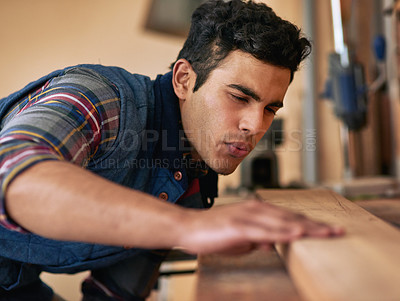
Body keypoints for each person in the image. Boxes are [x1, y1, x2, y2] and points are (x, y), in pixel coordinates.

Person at [0, 0, 344, 300]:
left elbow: (115, 291)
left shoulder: (192, 173)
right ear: (183, 80)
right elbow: (12, 171)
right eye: (239, 97)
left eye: (270, 108)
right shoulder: (101, 98)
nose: (255, 126)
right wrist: (187, 228)